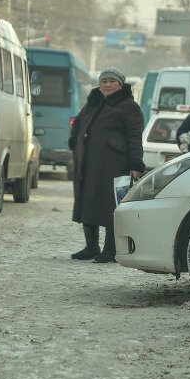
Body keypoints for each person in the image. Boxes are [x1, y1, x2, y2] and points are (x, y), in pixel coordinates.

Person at [69, 67, 145, 263]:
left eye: (112, 81)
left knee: (110, 206)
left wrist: (135, 164)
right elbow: (77, 124)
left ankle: (110, 250)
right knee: (88, 203)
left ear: (120, 84)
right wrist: (75, 142)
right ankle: (91, 247)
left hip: (114, 164)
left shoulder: (129, 106)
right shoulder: (92, 104)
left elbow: (135, 136)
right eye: (104, 81)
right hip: (88, 164)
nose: (108, 84)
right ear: (99, 84)